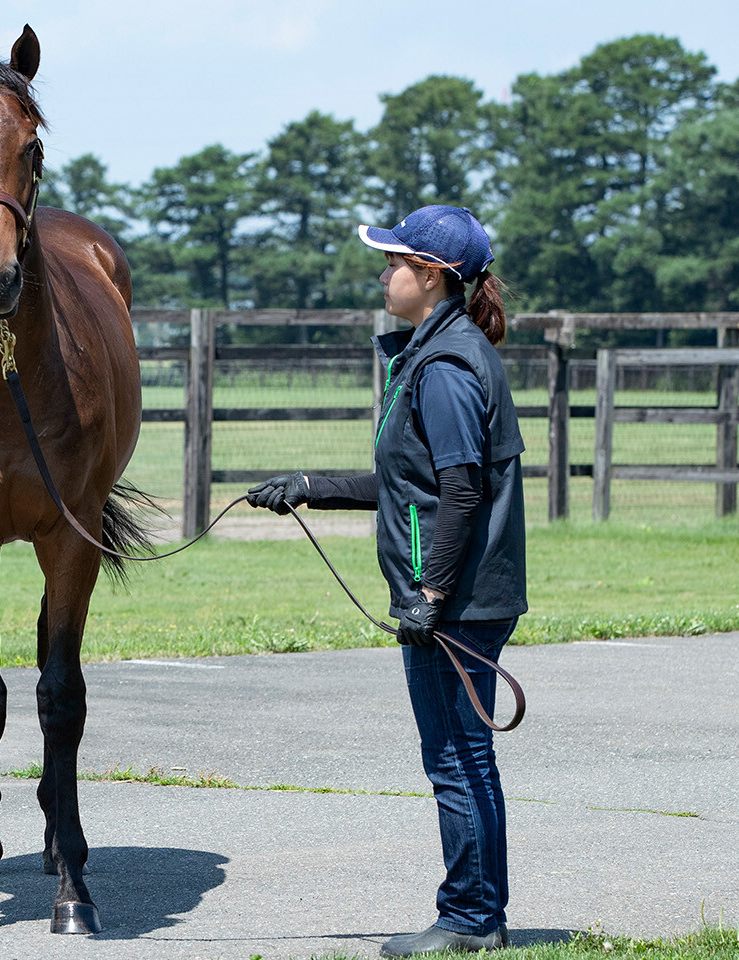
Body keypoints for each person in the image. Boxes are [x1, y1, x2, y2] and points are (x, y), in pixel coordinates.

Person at [248, 205, 526, 957]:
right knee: (467, 755)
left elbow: (461, 491)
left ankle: (469, 920)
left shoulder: (445, 366)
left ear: (430, 276)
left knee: (456, 759)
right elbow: (409, 482)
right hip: (462, 596)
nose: (384, 273)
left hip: (454, 603)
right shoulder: (435, 353)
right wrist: (310, 484)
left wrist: (430, 595)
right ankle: (481, 915)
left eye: (395, 261)